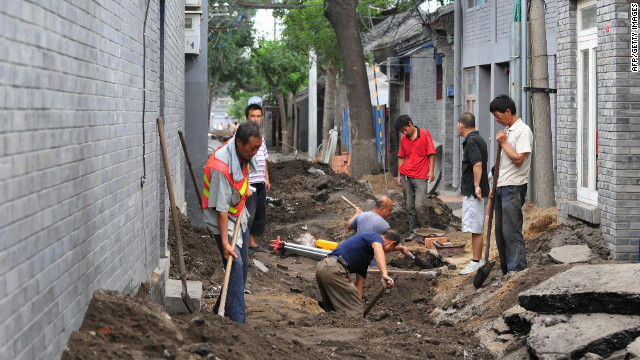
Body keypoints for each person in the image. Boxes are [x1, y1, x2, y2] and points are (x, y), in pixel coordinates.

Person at [201, 121, 263, 323]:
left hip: (238, 213)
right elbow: (220, 210)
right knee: (234, 265)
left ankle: (221, 308)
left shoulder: (244, 155)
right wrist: (226, 244)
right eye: (252, 147)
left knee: (242, 267)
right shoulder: (220, 166)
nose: (255, 152)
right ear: (239, 143)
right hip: (222, 218)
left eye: (258, 147)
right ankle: (237, 319)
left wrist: (245, 191)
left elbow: (241, 181)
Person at [315, 229, 408, 317]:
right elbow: (378, 249)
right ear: (392, 243)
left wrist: (357, 304)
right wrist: (384, 274)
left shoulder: (364, 258)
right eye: (391, 250)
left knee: (332, 312)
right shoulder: (375, 237)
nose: (387, 252)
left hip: (323, 268)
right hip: (333, 269)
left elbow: (359, 286)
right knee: (354, 316)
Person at [490, 94, 533, 275]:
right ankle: (506, 271)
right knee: (500, 233)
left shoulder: (523, 130)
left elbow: (517, 159)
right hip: (501, 186)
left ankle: (517, 271)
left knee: (511, 231)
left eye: (498, 115)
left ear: (508, 111)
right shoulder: (508, 131)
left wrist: (503, 142)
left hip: (513, 188)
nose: (497, 119)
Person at [456, 112, 490, 275]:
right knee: (476, 226)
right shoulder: (478, 139)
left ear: (461, 125)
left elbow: (477, 164)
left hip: (474, 191)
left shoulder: (472, 141)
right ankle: (477, 259)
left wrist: (476, 185)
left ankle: (476, 261)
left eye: (458, 124)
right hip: (477, 189)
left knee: (475, 226)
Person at [395, 115, 437, 239]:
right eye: (401, 131)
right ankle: (414, 231)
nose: (404, 132)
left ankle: (427, 232)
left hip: (420, 176)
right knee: (409, 206)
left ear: (410, 123)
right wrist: (399, 175)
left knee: (420, 205)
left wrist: (431, 171)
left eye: (405, 129)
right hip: (406, 175)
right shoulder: (404, 139)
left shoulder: (424, 134)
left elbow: (431, 153)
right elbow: (401, 157)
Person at [244, 97, 270, 256]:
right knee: (249, 214)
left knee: (260, 213)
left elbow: (264, 158)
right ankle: (245, 244)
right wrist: (244, 183)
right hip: (249, 183)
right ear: (247, 117)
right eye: (252, 116)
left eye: (258, 116)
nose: (255, 119)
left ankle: (252, 241)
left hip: (260, 181)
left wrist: (266, 178)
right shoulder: (243, 136)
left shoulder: (261, 136)